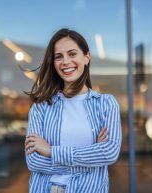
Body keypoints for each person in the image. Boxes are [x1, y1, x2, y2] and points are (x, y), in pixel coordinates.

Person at [24, 28, 122, 193]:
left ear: (86, 57)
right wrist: (91, 159)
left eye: (72, 54)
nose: (65, 62)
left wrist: (50, 151)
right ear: (53, 63)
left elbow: (109, 153)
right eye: (58, 56)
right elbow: (34, 162)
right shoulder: (41, 107)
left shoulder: (106, 104)